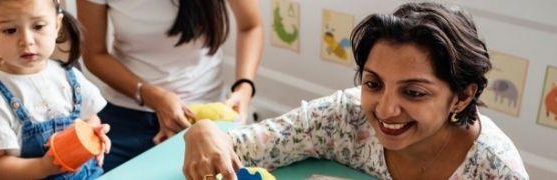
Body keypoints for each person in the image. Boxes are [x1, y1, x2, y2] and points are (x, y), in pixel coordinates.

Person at [182, 2, 529, 180]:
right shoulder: (342, 119)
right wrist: (202, 131)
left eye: (414, 93)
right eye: (373, 84)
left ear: (462, 96)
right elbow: (237, 146)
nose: (386, 110)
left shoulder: (497, 170)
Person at [77, 0, 263, 171]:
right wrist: (150, 94)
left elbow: (251, 26)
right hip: (125, 115)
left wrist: (244, 87)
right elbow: (94, 54)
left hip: (203, 115)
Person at [0, 0, 111, 179]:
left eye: (38, 26)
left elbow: (90, 118)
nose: (26, 41)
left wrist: (92, 135)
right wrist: (43, 167)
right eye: (10, 30)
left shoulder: (69, 76)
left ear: (56, 25)